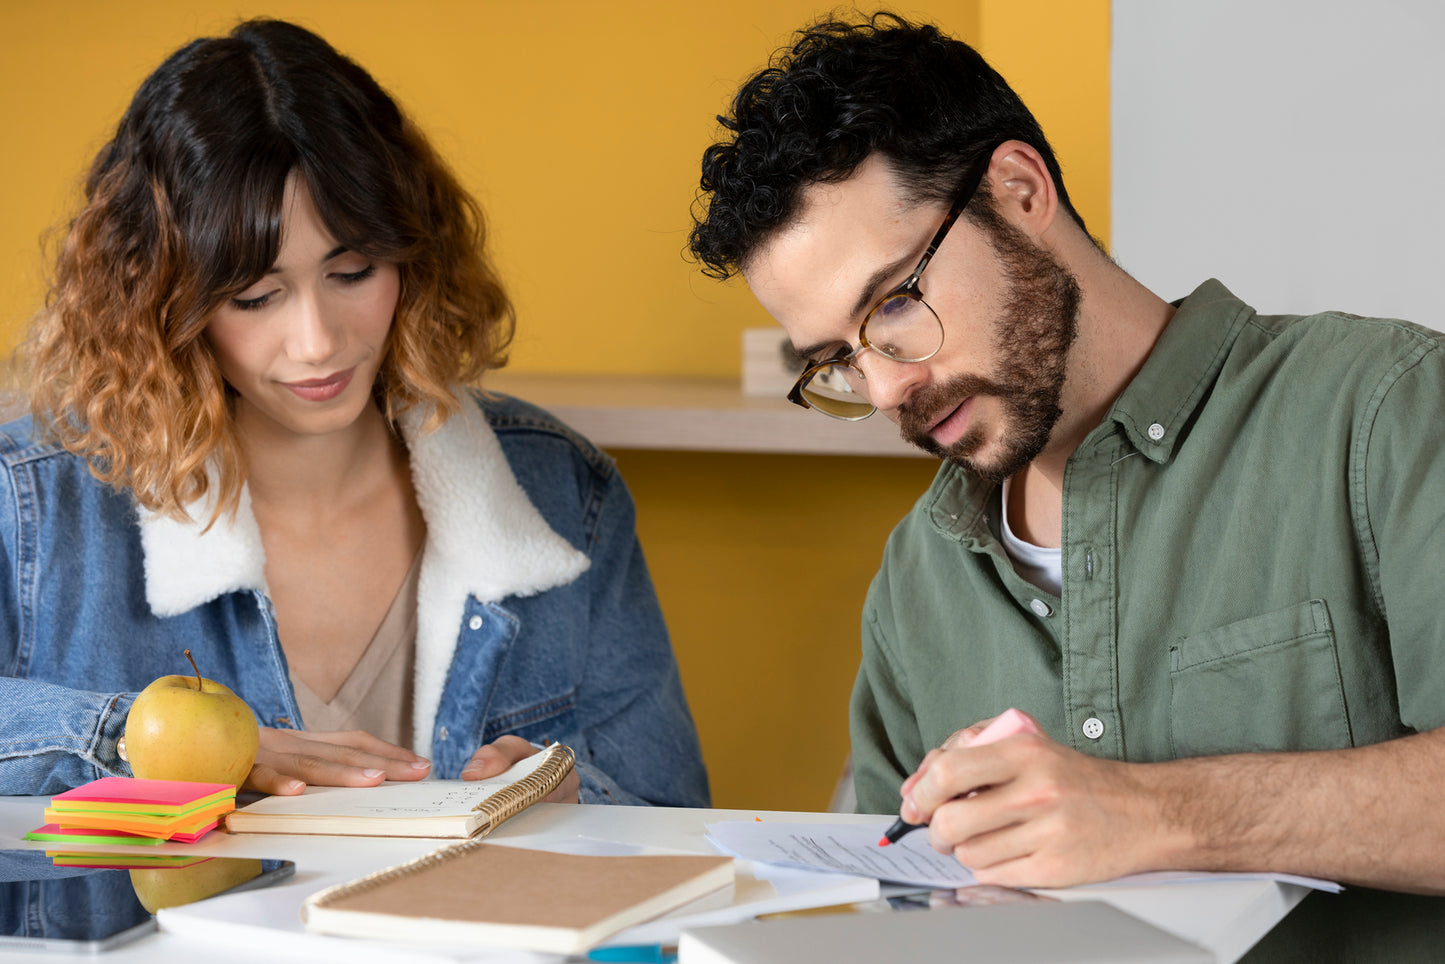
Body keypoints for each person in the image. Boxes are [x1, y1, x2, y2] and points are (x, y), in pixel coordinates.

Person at [688, 11, 1443, 957]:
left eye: (892, 304)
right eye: (836, 360)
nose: (886, 388)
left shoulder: (1382, 409)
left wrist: (1159, 812)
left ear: (1017, 189)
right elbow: (894, 917)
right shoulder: (919, 575)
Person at [0, 18, 709, 810]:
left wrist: (581, 804)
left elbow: (671, 808)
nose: (317, 343)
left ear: (413, 255)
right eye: (255, 297)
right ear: (161, 301)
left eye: (352, 272)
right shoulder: (30, 507)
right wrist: (149, 741)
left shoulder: (561, 484)